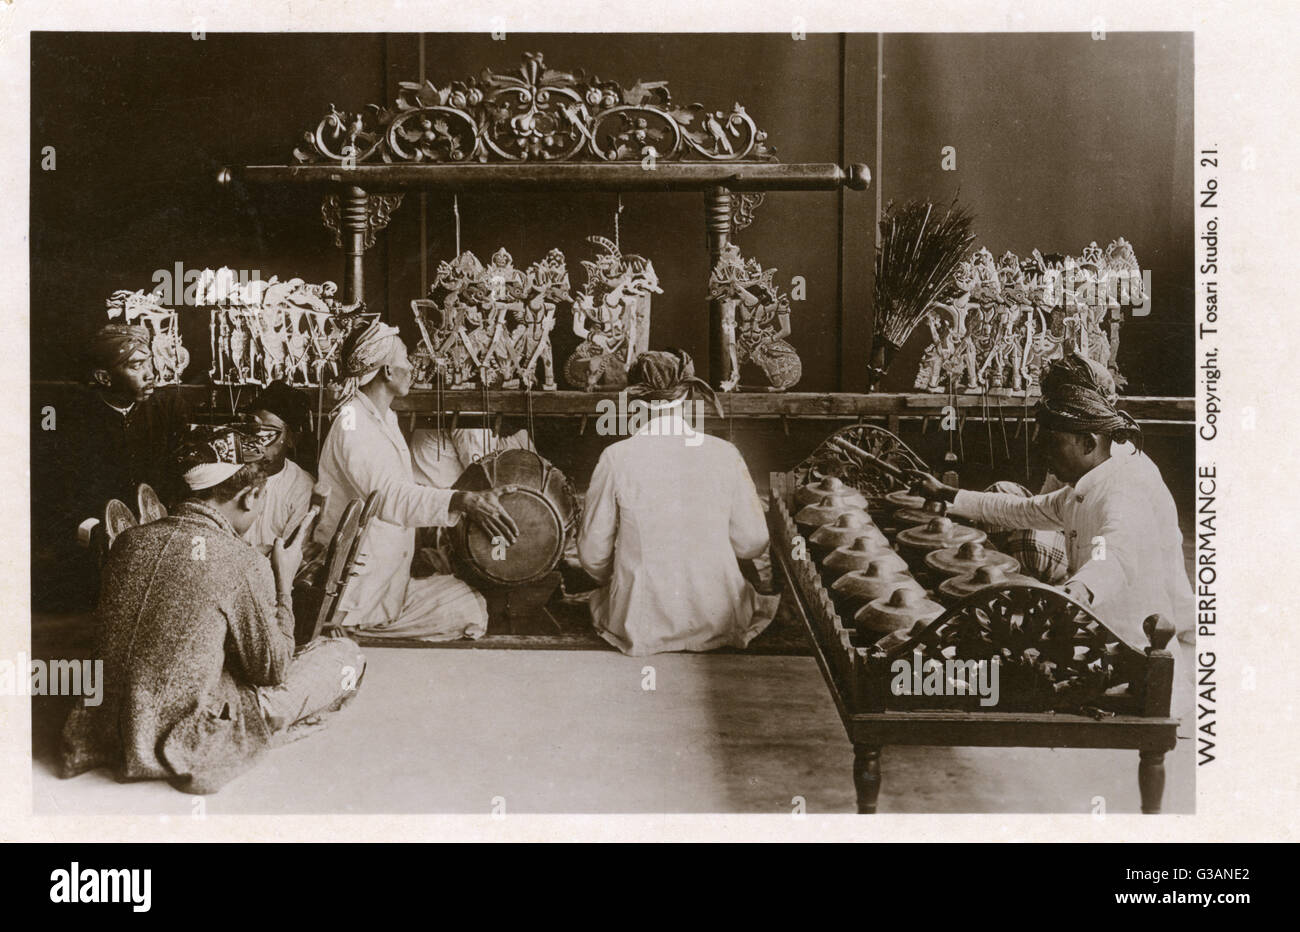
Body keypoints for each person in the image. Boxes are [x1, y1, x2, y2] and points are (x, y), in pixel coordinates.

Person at [59, 424, 365, 795]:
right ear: (252, 496)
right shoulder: (243, 562)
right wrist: (282, 581)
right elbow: (273, 669)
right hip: (185, 736)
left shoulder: (128, 542)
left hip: (103, 729)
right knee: (344, 656)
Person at [907, 352, 1194, 720]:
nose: (1044, 452)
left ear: (1088, 443)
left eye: (1053, 442)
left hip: (1129, 652)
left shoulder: (1125, 485)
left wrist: (1078, 590)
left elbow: (1115, 553)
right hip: (1095, 632)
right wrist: (949, 496)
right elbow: (1024, 510)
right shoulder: (1092, 477)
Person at [313, 320, 518, 640]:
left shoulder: (382, 416)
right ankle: (349, 629)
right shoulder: (352, 422)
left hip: (384, 580)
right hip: (358, 593)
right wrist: (459, 500)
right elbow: (386, 496)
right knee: (471, 612)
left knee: (469, 599)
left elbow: (396, 487)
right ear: (387, 372)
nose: (413, 367)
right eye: (406, 359)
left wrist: (460, 499)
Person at [578, 349, 779, 655]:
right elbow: (753, 543)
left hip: (639, 621)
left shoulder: (616, 457)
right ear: (687, 397)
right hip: (720, 617)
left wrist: (618, 577)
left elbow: (592, 554)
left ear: (636, 402)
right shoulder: (725, 453)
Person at [33, 323, 190, 610]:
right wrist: (90, 530)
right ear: (104, 377)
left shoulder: (166, 410)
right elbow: (52, 497)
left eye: (150, 361)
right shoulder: (69, 421)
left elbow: (177, 477)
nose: (150, 373)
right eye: (136, 365)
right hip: (94, 557)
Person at [241, 380, 316, 553]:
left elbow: (292, 552)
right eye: (254, 430)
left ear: (291, 439)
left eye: (269, 432)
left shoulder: (302, 489)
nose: (258, 441)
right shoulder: (232, 476)